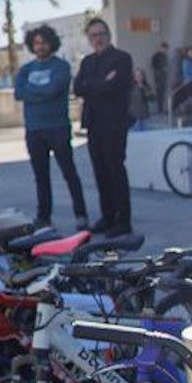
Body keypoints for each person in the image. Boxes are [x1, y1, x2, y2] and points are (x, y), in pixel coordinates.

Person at [14, 23, 89, 230]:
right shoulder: (26, 69)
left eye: (44, 42)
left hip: (57, 128)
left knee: (69, 173)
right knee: (41, 177)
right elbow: (19, 93)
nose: (40, 46)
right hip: (34, 130)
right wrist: (42, 91)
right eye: (36, 43)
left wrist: (34, 92)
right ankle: (44, 217)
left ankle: (81, 215)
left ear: (51, 44)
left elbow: (55, 90)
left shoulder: (61, 66)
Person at [73, 16, 135, 235]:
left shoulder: (122, 59)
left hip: (114, 125)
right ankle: (107, 217)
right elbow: (78, 88)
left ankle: (123, 221)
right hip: (94, 125)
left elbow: (116, 85)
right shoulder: (87, 62)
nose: (97, 39)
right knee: (100, 172)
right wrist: (101, 83)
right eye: (93, 36)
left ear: (108, 35)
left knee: (115, 171)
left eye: (100, 34)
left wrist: (94, 85)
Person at [150, 42, 171, 115]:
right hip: (158, 78)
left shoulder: (165, 56)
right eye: (164, 48)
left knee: (163, 94)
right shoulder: (156, 56)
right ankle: (159, 109)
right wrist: (162, 70)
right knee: (159, 94)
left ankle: (162, 109)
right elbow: (153, 67)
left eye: (166, 49)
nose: (165, 50)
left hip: (164, 78)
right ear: (161, 48)